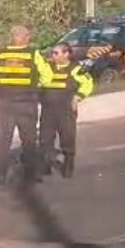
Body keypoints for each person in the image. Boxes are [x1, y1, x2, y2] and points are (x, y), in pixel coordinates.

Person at [0, 25, 55, 185]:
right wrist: (36, 85)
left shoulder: (1, 55)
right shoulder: (33, 55)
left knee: (3, 140)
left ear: (12, 38)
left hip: (5, 104)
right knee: (29, 140)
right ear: (27, 38)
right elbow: (48, 77)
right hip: (27, 104)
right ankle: (31, 174)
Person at [38, 42, 95, 178]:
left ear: (66, 54)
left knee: (67, 138)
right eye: (53, 53)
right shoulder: (47, 67)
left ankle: (68, 165)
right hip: (48, 110)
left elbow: (87, 84)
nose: (53, 56)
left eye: (57, 53)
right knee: (45, 138)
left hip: (66, 110)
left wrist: (78, 97)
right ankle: (46, 164)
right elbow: (38, 82)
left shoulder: (76, 68)